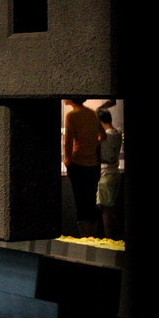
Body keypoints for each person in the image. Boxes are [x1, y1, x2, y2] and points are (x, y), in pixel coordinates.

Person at [63, 98, 104, 237]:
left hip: (78, 164)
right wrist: (91, 145)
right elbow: (103, 135)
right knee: (91, 202)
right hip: (93, 164)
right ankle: (93, 236)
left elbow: (68, 141)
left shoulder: (71, 115)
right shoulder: (92, 113)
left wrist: (67, 160)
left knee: (80, 203)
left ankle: (84, 237)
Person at [96, 107, 123, 240]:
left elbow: (103, 156)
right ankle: (117, 238)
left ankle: (110, 238)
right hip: (115, 173)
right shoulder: (117, 133)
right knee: (113, 210)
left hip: (106, 175)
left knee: (106, 211)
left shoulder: (106, 136)